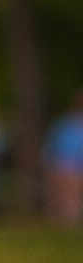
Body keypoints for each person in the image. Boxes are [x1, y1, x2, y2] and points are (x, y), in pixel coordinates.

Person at [45, 90, 83, 223]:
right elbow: (51, 152)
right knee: (68, 184)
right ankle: (69, 221)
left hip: (73, 168)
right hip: (66, 168)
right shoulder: (64, 125)